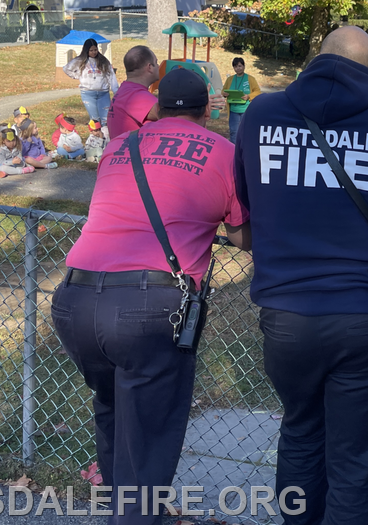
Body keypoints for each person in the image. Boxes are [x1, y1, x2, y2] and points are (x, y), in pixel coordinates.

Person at [233, 25, 368, 523]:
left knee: (300, 433)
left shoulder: (262, 113)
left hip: (286, 313)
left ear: (316, 59)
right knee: (355, 460)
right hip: (367, 312)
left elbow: (245, 201)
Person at [52, 67, 250, 525]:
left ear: (157, 108)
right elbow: (243, 237)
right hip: (147, 307)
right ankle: (135, 516)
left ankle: (120, 511)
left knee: (112, 408)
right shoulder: (223, 152)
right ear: (207, 109)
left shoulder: (120, 147)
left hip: (75, 299)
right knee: (151, 433)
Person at [63, 38, 119, 127]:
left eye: (95, 50)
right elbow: (66, 68)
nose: (94, 52)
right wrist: (77, 75)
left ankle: (106, 138)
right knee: (95, 120)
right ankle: (96, 138)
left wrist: (116, 91)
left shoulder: (103, 61)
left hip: (103, 93)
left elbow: (111, 76)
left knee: (106, 119)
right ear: (86, 50)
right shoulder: (80, 60)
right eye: (91, 50)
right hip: (88, 93)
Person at [107, 45, 160, 139]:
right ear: (149, 67)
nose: (159, 67)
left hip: (122, 150)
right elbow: (170, 113)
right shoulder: (136, 95)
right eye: (156, 63)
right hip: (132, 152)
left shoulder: (126, 90)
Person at [223, 56, 262, 143]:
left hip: (246, 110)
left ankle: (245, 150)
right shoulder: (230, 79)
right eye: (236, 66)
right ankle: (233, 150)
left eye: (240, 66)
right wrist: (224, 94)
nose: (238, 68)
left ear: (244, 66)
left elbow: (257, 91)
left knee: (247, 131)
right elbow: (224, 90)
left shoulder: (250, 79)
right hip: (234, 110)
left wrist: (248, 96)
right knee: (234, 131)